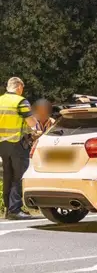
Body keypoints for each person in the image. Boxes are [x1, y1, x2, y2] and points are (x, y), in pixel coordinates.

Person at [0, 77, 39, 219]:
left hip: (2, 145)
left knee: (8, 176)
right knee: (19, 176)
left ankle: (8, 209)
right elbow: (31, 122)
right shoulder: (20, 101)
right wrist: (36, 126)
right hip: (17, 144)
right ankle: (15, 210)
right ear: (19, 87)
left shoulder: (0, 100)